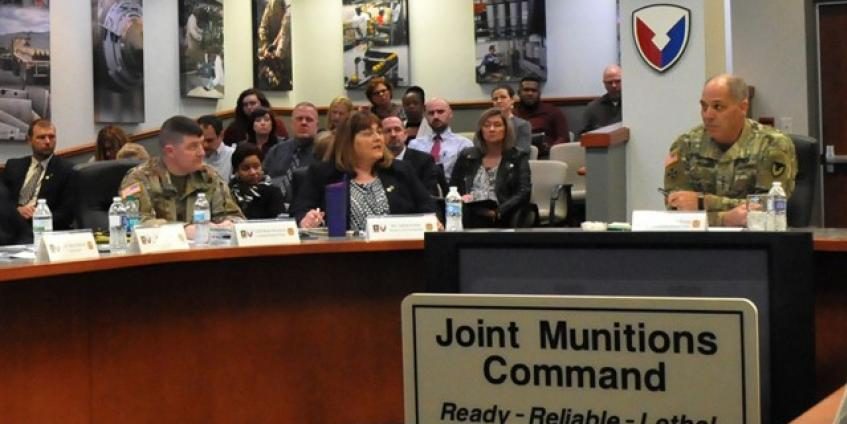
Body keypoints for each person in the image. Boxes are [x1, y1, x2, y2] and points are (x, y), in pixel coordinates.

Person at [664, 74, 797, 227]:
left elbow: (768, 207)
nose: (708, 115)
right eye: (704, 106)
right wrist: (724, 219)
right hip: (700, 245)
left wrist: (702, 202)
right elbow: (676, 207)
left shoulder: (773, 145)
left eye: (718, 107)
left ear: (743, 107)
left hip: (755, 243)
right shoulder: (685, 145)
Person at [293, 111, 436, 232]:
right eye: (368, 134)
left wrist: (433, 221)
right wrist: (306, 220)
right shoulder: (323, 174)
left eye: (379, 132)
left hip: (399, 254)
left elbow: (429, 207)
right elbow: (299, 212)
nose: (377, 138)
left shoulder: (401, 171)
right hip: (341, 257)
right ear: (348, 141)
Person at [119, 116, 244, 239]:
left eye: (201, 144)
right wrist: (182, 230)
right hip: (156, 255)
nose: (202, 152)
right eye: (193, 146)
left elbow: (234, 216)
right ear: (170, 151)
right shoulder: (138, 179)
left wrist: (230, 224)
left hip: (203, 253)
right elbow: (133, 224)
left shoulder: (208, 176)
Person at [451, 108, 532, 228]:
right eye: (486, 125)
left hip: (502, 214)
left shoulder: (517, 157)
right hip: (469, 212)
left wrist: (499, 211)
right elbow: (454, 186)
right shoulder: (467, 156)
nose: (492, 129)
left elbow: (523, 192)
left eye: (497, 125)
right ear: (481, 130)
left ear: (506, 130)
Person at [1, 119, 76, 243]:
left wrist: (38, 216)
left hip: (46, 233)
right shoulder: (13, 166)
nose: (47, 142)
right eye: (41, 137)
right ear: (29, 140)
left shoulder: (67, 170)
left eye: (51, 137)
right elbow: (3, 202)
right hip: (11, 231)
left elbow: (66, 214)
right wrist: (17, 211)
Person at [263, 102, 321, 208]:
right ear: (292, 124)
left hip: (308, 211)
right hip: (274, 210)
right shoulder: (276, 151)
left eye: (309, 119)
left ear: (317, 126)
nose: (303, 123)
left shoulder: (324, 153)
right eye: (299, 119)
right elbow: (263, 181)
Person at [408, 98, 473, 185]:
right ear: (426, 117)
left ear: (450, 114)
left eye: (440, 112)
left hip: (453, 192)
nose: (436, 116)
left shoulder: (464, 144)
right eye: (431, 113)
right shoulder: (415, 145)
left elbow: (468, 179)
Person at [513, 75, 570, 157]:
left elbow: (564, 137)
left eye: (534, 90)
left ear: (539, 93)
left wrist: (551, 148)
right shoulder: (513, 114)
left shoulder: (553, 111)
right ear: (519, 93)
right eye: (526, 90)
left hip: (547, 157)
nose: (530, 93)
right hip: (519, 157)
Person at [382, 116, 439, 196]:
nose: (393, 134)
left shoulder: (424, 161)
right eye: (388, 131)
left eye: (397, 130)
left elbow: (430, 194)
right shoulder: (376, 162)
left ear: (405, 134)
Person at [229, 142, 284, 220]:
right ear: (236, 171)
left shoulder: (273, 192)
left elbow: (280, 222)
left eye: (256, 166)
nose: (253, 172)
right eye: (246, 168)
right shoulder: (228, 192)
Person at [222, 88, 288, 145]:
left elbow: (285, 146)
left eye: (252, 103)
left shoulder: (276, 123)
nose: (249, 107)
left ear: (262, 103)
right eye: (245, 105)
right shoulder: (234, 128)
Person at [580, 64, 622, 135]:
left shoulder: (632, 105)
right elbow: (581, 137)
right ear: (604, 84)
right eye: (609, 82)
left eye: (618, 81)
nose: (614, 85)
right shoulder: (592, 108)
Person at [490, 84, 531, 152]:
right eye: (495, 99)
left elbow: (523, 151)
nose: (499, 101)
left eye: (503, 97)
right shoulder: (485, 123)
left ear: (512, 100)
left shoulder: (522, 125)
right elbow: (478, 146)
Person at [198, 115, 234, 179]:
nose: (204, 145)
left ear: (221, 135)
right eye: (201, 141)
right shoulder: (192, 156)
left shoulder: (233, 155)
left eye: (209, 140)